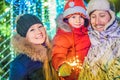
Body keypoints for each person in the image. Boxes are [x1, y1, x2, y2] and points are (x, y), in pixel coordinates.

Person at [9, 14, 58, 80]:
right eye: (32, 30)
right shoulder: (20, 63)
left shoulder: (55, 52)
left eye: (40, 26)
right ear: (24, 36)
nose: (38, 32)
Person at [80, 0, 120, 79]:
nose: (97, 22)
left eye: (102, 16)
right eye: (93, 17)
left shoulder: (117, 42)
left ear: (111, 16)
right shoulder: (93, 39)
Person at [52, 0, 91, 80]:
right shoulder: (63, 36)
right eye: (73, 17)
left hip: (88, 72)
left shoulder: (87, 32)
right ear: (67, 19)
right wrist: (62, 65)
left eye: (81, 17)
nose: (78, 20)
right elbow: (57, 54)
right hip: (72, 74)